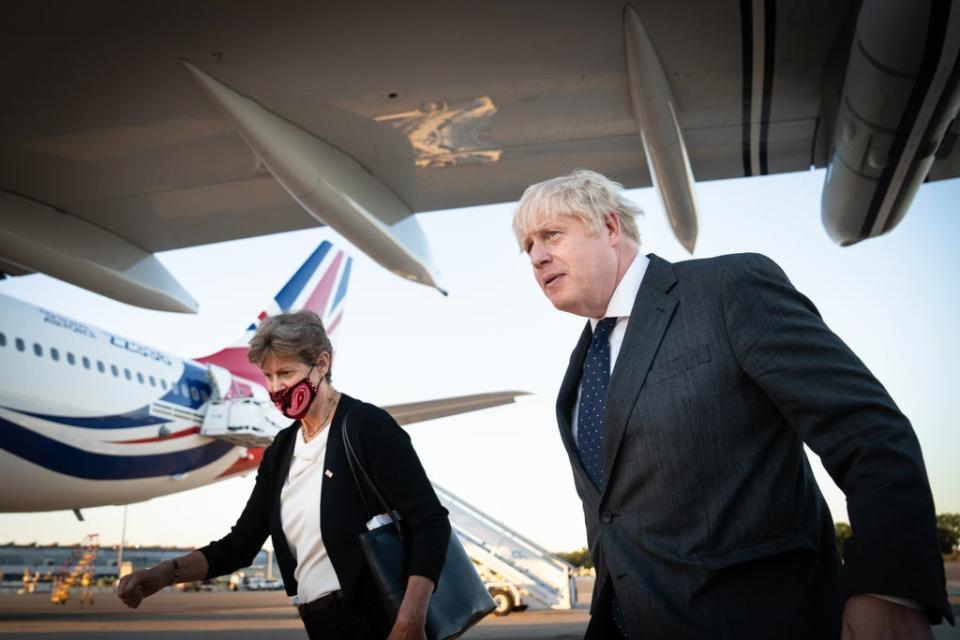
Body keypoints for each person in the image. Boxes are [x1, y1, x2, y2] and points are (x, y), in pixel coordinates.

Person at [512, 169, 952, 639]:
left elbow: (866, 431)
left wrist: (887, 589)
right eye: (528, 247)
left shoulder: (726, 289)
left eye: (551, 235)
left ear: (610, 228)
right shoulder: (582, 366)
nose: (538, 257)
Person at [117, 310, 451, 640]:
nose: (277, 387)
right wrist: (164, 574)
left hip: (376, 621)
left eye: (286, 373)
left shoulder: (365, 425)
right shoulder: (281, 449)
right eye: (268, 376)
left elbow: (431, 522)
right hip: (320, 622)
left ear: (322, 364)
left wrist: (410, 621)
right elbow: (240, 544)